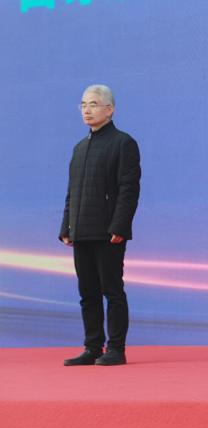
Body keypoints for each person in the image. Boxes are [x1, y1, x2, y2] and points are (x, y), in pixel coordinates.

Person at [60, 85, 141, 366]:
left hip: (108, 232)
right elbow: (72, 192)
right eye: (83, 104)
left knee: (112, 291)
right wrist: (66, 226)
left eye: (93, 104)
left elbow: (128, 190)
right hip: (81, 230)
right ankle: (92, 347)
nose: (87, 110)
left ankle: (116, 349)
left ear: (110, 109)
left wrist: (120, 226)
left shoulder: (123, 143)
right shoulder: (79, 148)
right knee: (87, 293)